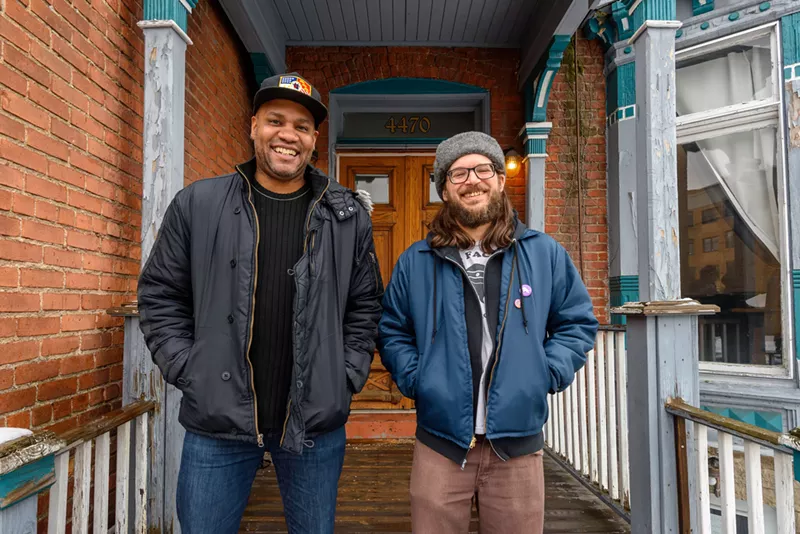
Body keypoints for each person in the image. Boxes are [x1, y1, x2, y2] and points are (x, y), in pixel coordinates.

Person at [137, 72, 383, 534]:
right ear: (253, 126)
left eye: (302, 126)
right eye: (276, 120)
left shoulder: (346, 215)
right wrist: (191, 369)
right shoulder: (198, 203)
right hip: (217, 422)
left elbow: (365, 305)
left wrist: (346, 374)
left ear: (313, 140)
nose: (288, 134)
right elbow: (160, 294)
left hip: (313, 423)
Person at [378, 131, 598, 533]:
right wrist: (417, 378)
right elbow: (392, 330)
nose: (472, 180)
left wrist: (544, 373)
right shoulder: (416, 261)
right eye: (457, 173)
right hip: (440, 445)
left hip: (517, 447)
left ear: (500, 179)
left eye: (482, 169)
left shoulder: (544, 253)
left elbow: (576, 323)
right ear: (444, 190)